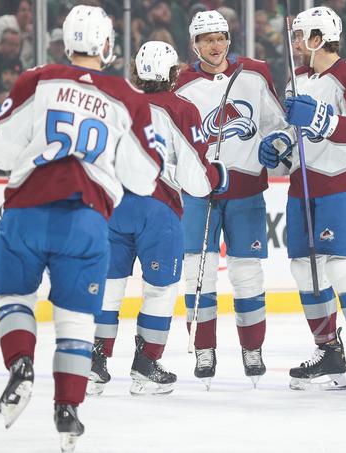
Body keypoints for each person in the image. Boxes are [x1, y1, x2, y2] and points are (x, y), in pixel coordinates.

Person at [0, 5, 162, 451]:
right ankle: (67, 409)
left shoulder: (36, 79)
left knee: (16, 295)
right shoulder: (127, 97)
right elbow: (143, 177)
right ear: (107, 45)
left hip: (26, 210)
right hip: (86, 220)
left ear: (66, 41)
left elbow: (0, 152)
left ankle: (20, 364)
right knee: (75, 318)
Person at [259, 6, 346, 396]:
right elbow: (293, 132)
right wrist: (278, 145)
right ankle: (329, 351)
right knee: (305, 270)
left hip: (345, 181)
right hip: (303, 184)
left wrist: (317, 119)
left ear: (319, 37)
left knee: (343, 270)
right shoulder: (296, 79)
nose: (296, 43)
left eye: (301, 36)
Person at [90, 41, 227, 397]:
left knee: (109, 287)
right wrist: (217, 177)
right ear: (173, 73)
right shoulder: (182, 109)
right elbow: (196, 179)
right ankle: (146, 365)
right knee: (160, 290)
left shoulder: (116, 104)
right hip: (158, 211)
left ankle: (93, 363)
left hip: (114, 207)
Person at [175, 10, 295, 388]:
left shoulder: (255, 73)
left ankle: (252, 348)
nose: (215, 45)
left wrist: (279, 143)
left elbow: (280, 124)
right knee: (198, 272)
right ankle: (204, 349)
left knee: (246, 274)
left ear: (229, 39)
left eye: (220, 37)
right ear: (194, 44)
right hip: (199, 192)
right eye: (206, 38)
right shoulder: (182, 83)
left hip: (246, 190)